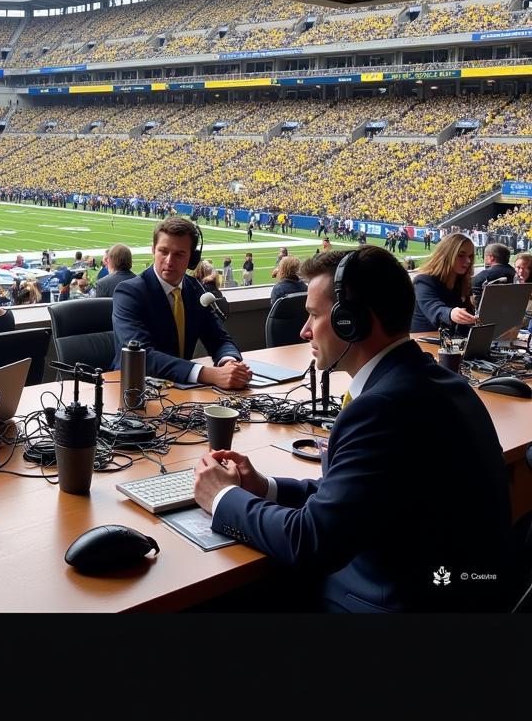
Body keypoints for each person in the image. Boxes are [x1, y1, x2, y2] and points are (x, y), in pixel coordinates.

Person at [194, 246, 512, 613]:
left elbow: (310, 542)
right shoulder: (442, 383)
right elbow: (362, 493)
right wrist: (266, 488)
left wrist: (221, 497)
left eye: (314, 315)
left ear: (352, 320)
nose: (304, 331)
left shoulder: (381, 409)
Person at [112, 216, 252, 389]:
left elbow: (219, 338)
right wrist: (208, 374)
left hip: (179, 388)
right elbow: (142, 356)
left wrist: (229, 363)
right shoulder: (129, 292)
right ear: (153, 250)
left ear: (192, 259)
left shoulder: (194, 289)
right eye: (163, 251)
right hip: (133, 388)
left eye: (179, 254)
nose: (169, 261)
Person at [411, 232, 477, 333]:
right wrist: (451, 313)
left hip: (454, 343)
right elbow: (435, 309)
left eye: (470, 256)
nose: (468, 260)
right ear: (446, 256)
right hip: (426, 342)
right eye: (461, 255)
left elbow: (469, 315)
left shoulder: (463, 282)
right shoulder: (423, 281)